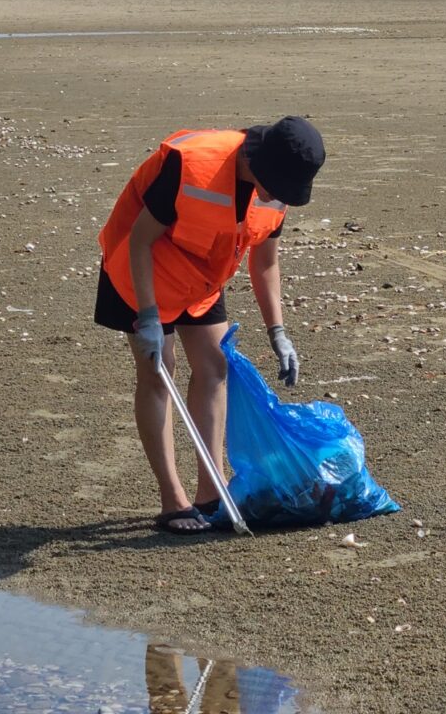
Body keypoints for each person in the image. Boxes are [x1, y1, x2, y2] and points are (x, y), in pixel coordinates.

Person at [94, 117, 326, 534]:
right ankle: (173, 501)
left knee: (215, 367)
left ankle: (211, 490)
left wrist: (278, 332)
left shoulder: (277, 188)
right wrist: (148, 318)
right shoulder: (191, 165)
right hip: (138, 271)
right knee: (157, 372)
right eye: (276, 185)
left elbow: (265, 261)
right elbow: (140, 240)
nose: (277, 195)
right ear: (258, 162)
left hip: (200, 277)